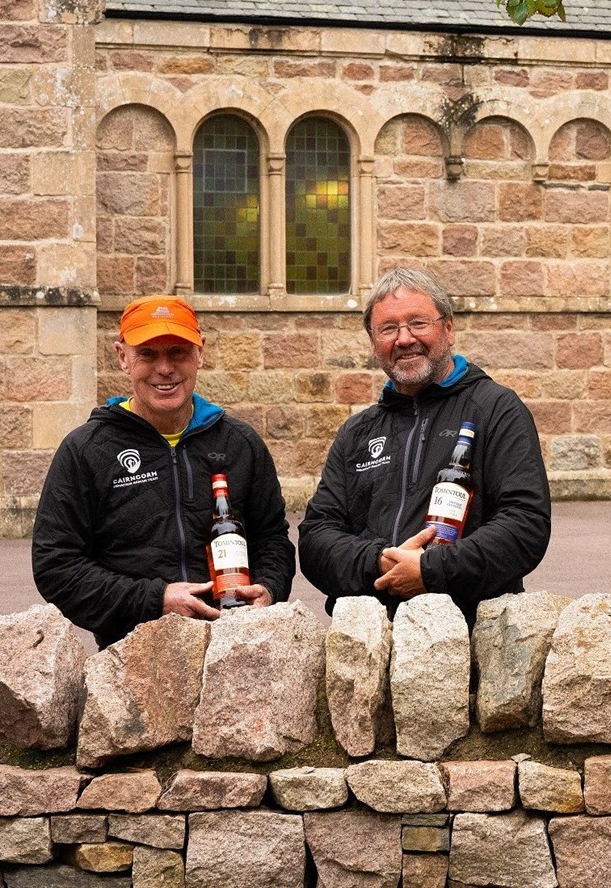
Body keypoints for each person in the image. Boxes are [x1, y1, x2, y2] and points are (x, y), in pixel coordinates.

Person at [32, 295, 293, 647]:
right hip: (131, 657)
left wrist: (270, 588)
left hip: (236, 650)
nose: (165, 368)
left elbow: (272, 539)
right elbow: (56, 567)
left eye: (178, 352)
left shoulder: (240, 443)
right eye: (148, 354)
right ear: (122, 357)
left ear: (200, 353)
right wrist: (156, 599)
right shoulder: (87, 450)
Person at [299, 268, 550, 618]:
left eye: (418, 323)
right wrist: (379, 561)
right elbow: (316, 538)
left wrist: (432, 569)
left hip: (472, 634)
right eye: (388, 329)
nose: (404, 339)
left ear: (448, 329)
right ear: (373, 342)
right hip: (368, 639)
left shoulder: (496, 410)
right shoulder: (359, 432)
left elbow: (525, 525)